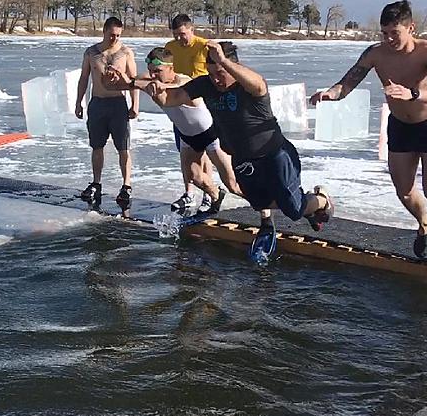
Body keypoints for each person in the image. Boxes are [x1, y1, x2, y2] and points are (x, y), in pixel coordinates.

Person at [106, 41, 334, 264]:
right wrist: (141, 86)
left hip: (275, 155)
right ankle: (271, 220)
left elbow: (259, 83)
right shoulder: (206, 85)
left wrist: (223, 60)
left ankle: (322, 201)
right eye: (212, 73)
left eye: (221, 72)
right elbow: (170, 97)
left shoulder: (250, 87)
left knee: (293, 210)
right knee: (259, 201)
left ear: (235, 68)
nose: (217, 79)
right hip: (243, 159)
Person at [310, 0, 427, 266]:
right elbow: (347, 82)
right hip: (401, 126)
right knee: (403, 191)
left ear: (411, 28)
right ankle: (424, 223)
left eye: (395, 32)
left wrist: (413, 94)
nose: (389, 38)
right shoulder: (375, 54)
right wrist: (330, 94)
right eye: (384, 33)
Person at [130, 47, 242, 214]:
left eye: (158, 71)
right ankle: (216, 195)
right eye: (151, 71)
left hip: (210, 134)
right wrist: (118, 79)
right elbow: (129, 81)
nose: (153, 75)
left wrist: (152, 85)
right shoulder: (152, 81)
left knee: (232, 183)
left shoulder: (183, 80)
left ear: (171, 68)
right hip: (187, 137)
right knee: (194, 177)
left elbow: (180, 85)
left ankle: (266, 208)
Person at [74, 16, 139, 206]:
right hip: (98, 104)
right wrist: (79, 102)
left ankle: (126, 186)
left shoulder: (126, 52)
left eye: (118, 35)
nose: (115, 39)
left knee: (123, 147)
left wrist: (135, 105)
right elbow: (84, 78)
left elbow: (134, 81)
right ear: (104, 31)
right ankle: (96, 183)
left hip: (118, 104)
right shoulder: (91, 53)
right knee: (97, 146)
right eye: (112, 35)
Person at [165, 14, 215, 213]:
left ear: (191, 30)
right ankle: (189, 193)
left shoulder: (205, 46)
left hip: (202, 107)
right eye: (176, 35)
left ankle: (208, 195)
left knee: (204, 153)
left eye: (183, 34)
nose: (179, 38)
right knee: (184, 152)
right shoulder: (170, 47)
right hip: (180, 106)